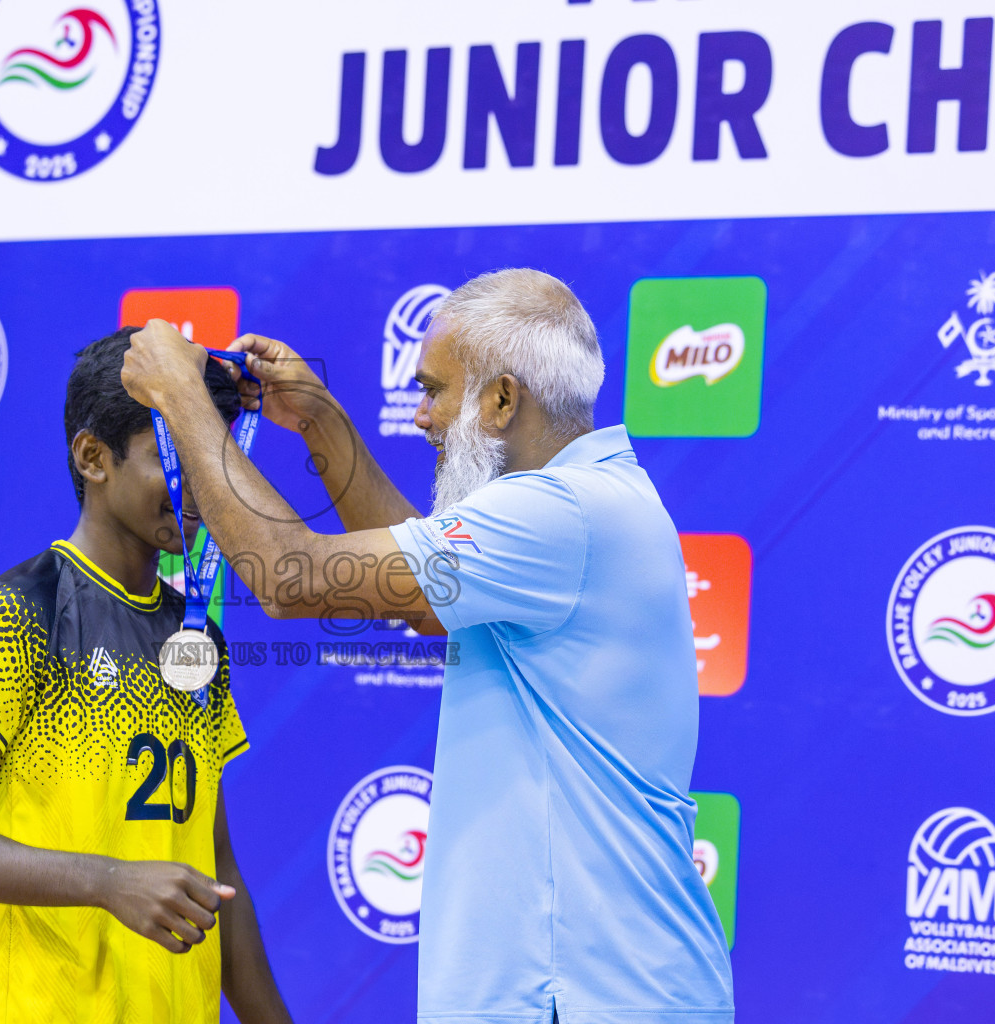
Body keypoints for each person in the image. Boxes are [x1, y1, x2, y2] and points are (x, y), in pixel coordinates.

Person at [120, 269, 735, 1024]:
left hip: (580, 995)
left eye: (435, 389)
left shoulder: (559, 514)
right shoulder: (586, 504)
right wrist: (320, 421)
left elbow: (289, 577)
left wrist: (179, 398)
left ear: (503, 399)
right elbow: (430, 608)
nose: (420, 416)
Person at [0, 328, 293, 1024]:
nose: (202, 488)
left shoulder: (197, 640)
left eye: (212, 456)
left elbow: (217, 870)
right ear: (93, 457)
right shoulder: (18, 615)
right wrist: (107, 883)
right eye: (176, 457)